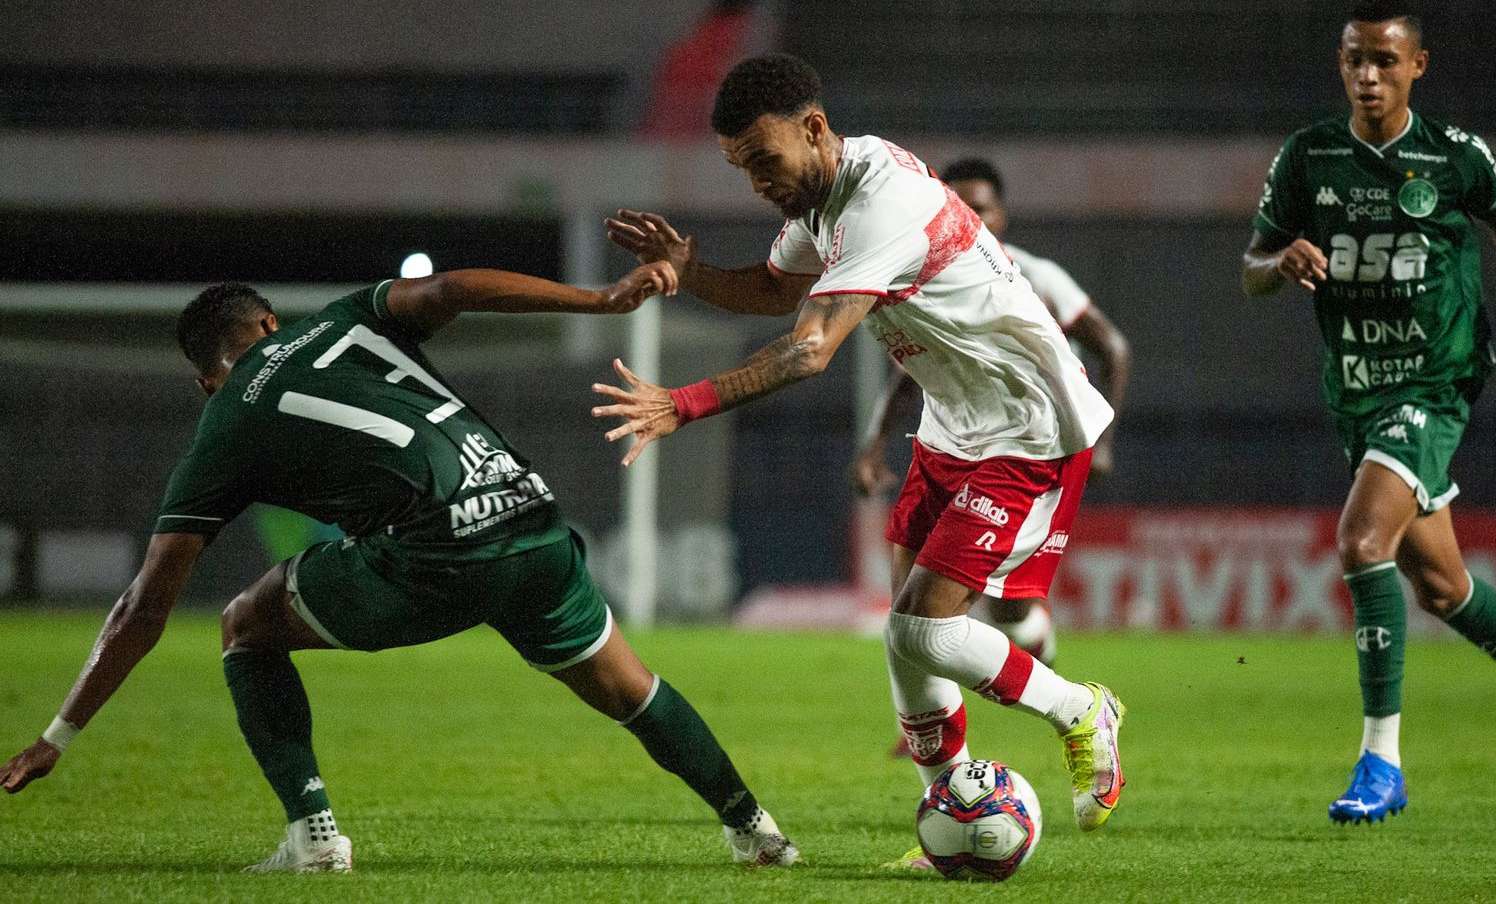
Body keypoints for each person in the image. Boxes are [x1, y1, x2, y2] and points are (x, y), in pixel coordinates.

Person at [0, 261, 799, 871]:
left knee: (245, 623)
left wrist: (58, 734)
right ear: (271, 322)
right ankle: (755, 831)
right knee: (630, 689)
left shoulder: (223, 424)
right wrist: (601, 300)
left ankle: (313, 838)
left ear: (206, 378)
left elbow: (144, 604)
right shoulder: (345, 318)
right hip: (528, 512)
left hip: (438, 556)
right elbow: (449, 288)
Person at [595, 53, 1126, 862]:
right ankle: (948, 807)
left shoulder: (883, 201)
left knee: (924, 632)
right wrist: (689, 271)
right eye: (742, 169)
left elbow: (808, 349)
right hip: (956, 425)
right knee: (904, 637)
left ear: (813, 129)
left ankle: (1081, 709)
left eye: (764, 161)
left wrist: (684, 402)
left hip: (1027, 426)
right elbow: (777, 291)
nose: (757, 184)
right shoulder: (823, 200)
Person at [1242, 0, 1496, 824]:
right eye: (1356, 59)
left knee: (1360, 540)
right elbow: (1249, 269)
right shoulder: (1310, 157)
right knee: (1443, 587)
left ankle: (1380, 763)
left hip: (1434, 383)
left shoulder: (1456, 158)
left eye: (1386, 61)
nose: (1368, 76)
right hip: (1355, 391)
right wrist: (1279, 260)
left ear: (1417, 65)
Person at [852, 157, 1132, 667]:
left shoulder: (1038, 276)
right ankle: (929, 717)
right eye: (956, 204)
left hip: (1027, 447)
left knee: (1007, 605)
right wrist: (874, 442)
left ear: (1000, 216)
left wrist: (1104, 441)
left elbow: (1112, 347)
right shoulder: (926, 275)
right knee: (919, 595)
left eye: (979, 207)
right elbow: (910, 373)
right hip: (952, 445)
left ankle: (1039, 664)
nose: (967, 215)